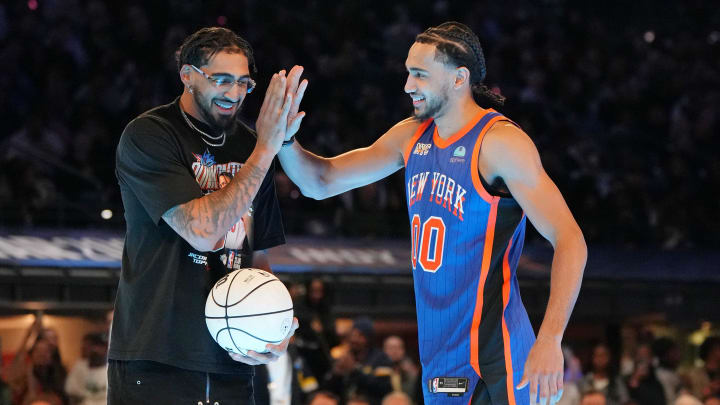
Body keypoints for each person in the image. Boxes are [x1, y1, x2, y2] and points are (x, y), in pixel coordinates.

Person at [277, 21, 587, 405]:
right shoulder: (412, 136)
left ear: (459, 79)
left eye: (420, 74)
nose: (408, 85)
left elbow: (570, 240)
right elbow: (320, 182)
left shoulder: (500, 143)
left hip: (497, 359)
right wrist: (285, 140)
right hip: (441, 360)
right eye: (408, 72)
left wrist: (551, 340)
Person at [110, 26, 300, 404]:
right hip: (157, 357)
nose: (234, 94)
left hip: (234, 356)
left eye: (244, 83)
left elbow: (257, 256)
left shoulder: (250, 144)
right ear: (187, 75)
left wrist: (273, 327)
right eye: (222, 80)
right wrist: (265, 150)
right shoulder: (149, 135)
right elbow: (202, 231)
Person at [65, 333, 107, 405]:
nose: (96, 350)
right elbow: (71, 393)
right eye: (94, 346)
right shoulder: (79, 367)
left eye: (101, 347)